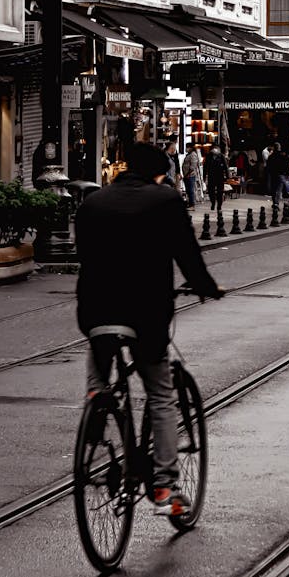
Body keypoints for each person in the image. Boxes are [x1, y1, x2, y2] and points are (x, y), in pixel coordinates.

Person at [75, 141, 222, 516]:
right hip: (145, 315)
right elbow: (187, 255)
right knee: (160, 394)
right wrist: (207, 287)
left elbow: (84, 254)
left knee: (100, 350)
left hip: (96, 310)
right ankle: (164, 487)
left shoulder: (93, 202)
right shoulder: (166, 200)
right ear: (160, 173)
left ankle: (97, 402)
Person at [203, 143, 228, 214]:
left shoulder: (221, 156)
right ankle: (213, 202)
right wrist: (204, 176)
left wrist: (227, 176)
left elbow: (226, 167)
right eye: (214, 148)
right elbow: (205, 167)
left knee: (220, 192)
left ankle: (219, 206)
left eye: (216, 148)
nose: (215, 149)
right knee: (211, 191)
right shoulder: (208, 156)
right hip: (211, 176)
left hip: (220, 177)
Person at [265, 141, 289, 207]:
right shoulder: (282, 156)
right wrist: (287, 173)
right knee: (279, 189)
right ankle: (276, 203)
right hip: (281, 173)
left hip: (273, 174)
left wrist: (269, 172)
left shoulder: (271, 156)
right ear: (279, 148)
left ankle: (274, 202)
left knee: (274, 188)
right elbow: (286, 165)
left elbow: (268, 166)